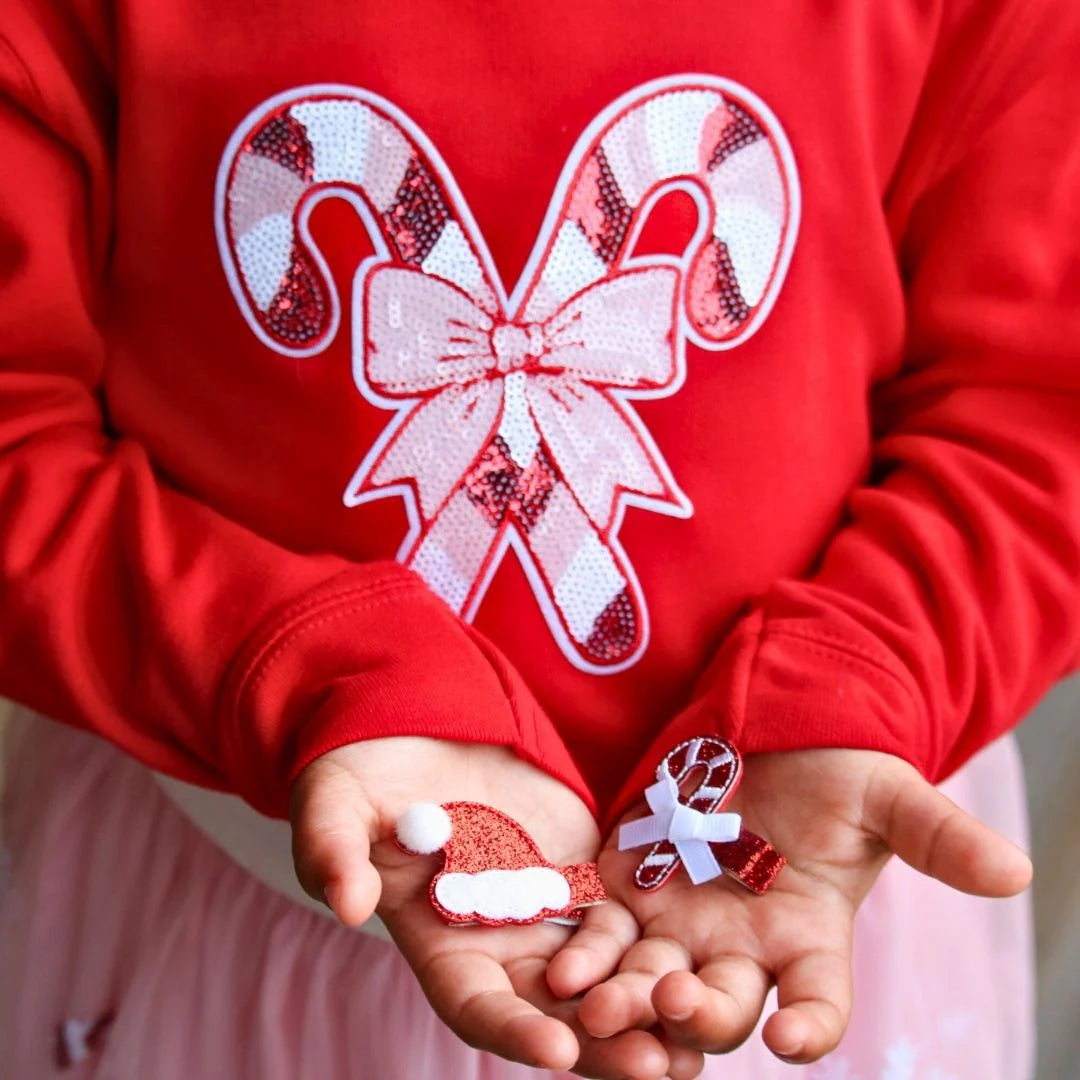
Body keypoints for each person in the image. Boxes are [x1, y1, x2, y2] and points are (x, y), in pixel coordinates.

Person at [0, 1, 1076, 1077]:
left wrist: (863, 672)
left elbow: (1038, 413)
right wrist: (296, 667)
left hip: (796, 888)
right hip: (230, 896)